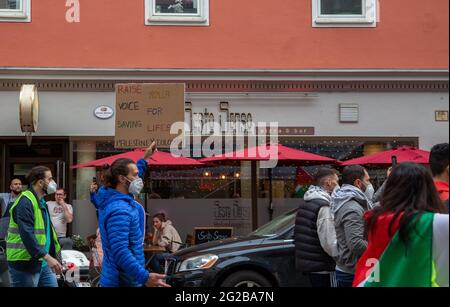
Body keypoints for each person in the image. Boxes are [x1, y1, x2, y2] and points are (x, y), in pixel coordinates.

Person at [354, 163, 448, 287]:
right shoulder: (439, 223)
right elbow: (444, 277)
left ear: (390, 189)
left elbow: (372, 263)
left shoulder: (376, 221)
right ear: (428, 189)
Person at [96, 157, 169, 287]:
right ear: (122, 179)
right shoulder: (120, 210)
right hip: (122, 280)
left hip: (124, 277)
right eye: (135, 175)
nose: (139, 179)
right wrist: (144, 277)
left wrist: (145, 159)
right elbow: (120, 251)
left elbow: (132, 173)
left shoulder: (110, 196)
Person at [6, 166, 63, 287]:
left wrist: (55, 257)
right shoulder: (25, 202)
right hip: (25, 263)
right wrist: (48, 257)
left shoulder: (41, 202)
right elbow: (27, 234)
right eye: (50, 179)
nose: (53, 183)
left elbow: (48, 234)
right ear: (40, 182)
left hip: (42, 262)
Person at [295, 168, 340, 287]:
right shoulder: (324, 206)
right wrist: (341, 258)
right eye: (337, 181)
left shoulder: (307, 202)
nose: (338, 185)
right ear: (329, 183)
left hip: (312, 265)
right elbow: (329, 243)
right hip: (324, 266)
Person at [331, 165, 373, 287]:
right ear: (358, 183)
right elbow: (356, 243)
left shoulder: (349, 200)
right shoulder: (352, 208)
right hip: (352, 272)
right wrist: (379, 248)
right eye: (368, 180)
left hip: (351, 269)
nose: (369, 185)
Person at [0, 179, 23, 243]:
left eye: (20, 184)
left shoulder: (24, 198)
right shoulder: (4, 196)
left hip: (18, 227)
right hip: (4, 226)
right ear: (11, 187)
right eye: (15, 184)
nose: (18, 186)